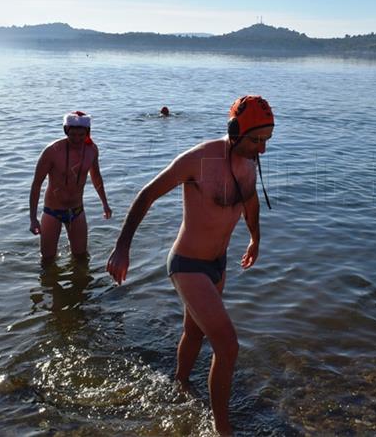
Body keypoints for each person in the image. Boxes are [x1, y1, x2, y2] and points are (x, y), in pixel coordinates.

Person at [106, 95, 275, 436]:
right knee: (227, 345)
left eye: (267, 141)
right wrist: (122, 247)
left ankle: (180, 384)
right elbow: (147, 194)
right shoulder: (200, 159)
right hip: (187, 264)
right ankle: (222, 428)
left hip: (217, 265)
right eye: (256, 140)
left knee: (194, 332)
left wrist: (255, 238)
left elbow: (251, 202)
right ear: (235, 130)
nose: (262, 149)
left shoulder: (249, 162)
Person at [29, 111, 112, 263]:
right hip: (52, 211)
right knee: (47, 260)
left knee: (81, 258)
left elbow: (96, 177)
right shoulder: (52, 151)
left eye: (81, 135)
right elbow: (36, 185)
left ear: (87, 132)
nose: (77, 139)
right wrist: (33, 218)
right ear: (66, 131)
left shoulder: (92, 150)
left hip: (77, 211)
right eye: (72, 135)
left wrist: (105, 204)